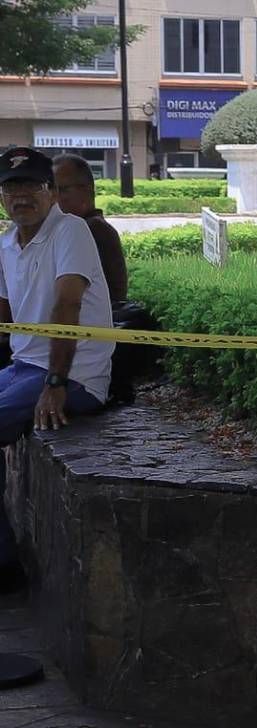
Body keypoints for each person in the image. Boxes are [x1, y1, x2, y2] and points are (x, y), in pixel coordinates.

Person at [0, 147, 114, 592]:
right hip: (23, 366)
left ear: (51, 192)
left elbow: (69, 304)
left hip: (72, 377)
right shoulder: (8, 241)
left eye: (32, 185)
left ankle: (6, 567)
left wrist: (55, 382)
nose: (21, 195)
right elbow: (6, 312)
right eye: (12, 187)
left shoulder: (71, 231)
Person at [51, 154, 128, 302]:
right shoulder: (89, 227)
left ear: (85, 190)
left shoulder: (89, 230)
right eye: (50, 190)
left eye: (62, 190)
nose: (53, 198)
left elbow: (68, 302)